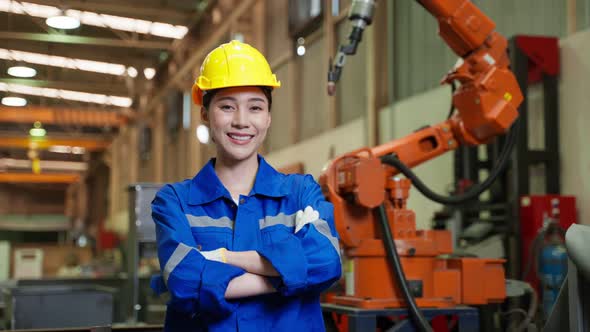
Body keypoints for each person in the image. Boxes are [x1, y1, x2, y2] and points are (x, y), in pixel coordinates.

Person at [150, 40, 342, 332]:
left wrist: (224, 259)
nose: (241, 121)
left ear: (268, 117)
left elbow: (326, 262)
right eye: (227, 107)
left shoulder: (300, 192)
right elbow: (184, 282)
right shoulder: (174, 202)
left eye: (255, 107)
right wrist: (289, 276)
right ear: (205, 113)